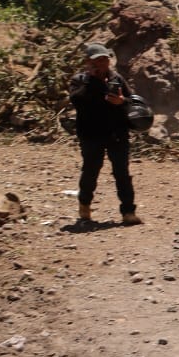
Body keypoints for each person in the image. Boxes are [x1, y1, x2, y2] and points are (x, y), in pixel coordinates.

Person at [69, 43, 139, 225]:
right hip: (91, 134)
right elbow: (76, 100)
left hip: (117, 133)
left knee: (122, 172)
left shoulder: (116, 78)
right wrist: (91, 81)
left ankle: (128, 212)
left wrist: (121, 101)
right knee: (91, 171)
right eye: (98, 60)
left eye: (105, 59)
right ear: (88, 62)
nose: (103, 63)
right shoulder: (79, 80)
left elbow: (132, 101)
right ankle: (84, 204)